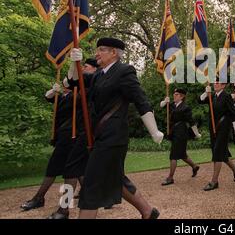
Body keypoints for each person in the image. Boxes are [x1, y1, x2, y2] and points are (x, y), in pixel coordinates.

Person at [67, 38, 164, 219]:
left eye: (101, 49)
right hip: (95, 136)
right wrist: (74, 63)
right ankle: (148, 211)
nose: (96, 53)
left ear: (114, 52)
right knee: (113, 177)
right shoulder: (98, 75)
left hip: (112, 137)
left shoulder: (124, 71)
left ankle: (65, 210)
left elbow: (140, 100)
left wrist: (154, 130)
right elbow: (74, 81)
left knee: (92, 183)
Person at [45, 59, 99, 219]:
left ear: (94, 70)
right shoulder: (81, 85)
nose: (82, 69)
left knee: (78, 170)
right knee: (75, 170)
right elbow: (70, 81)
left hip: (88, 132)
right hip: (79, 133)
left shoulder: (93, 85)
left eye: (86, 67)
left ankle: (65, 208)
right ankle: (65, 208)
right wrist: (72, 65)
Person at [20, 82, 77, 212]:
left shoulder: (77, 96)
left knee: (67, 171)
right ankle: (61, 205)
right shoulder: (62, 97)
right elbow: (48, 98)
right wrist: (53, 91)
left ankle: (44, 200)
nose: (64, 84)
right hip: (63, 137)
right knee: (74, 172)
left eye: (67, 82)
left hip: (72, 136)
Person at [198, 79, 235, 191]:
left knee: (217, 153)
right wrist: (205, 93)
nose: (215, 84)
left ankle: (214, 181)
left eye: (218, 83)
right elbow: (200, 101)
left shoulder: (226, 97)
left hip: (223, 128)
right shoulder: (213, 96)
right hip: (213, 128)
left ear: (223, 85)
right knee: (222, 154)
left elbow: (233, 113)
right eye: (214, 83)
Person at [159, 88, 201, 186]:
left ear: (182, 96)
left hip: (181, 133)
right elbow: (161, 106)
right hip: (174, 132)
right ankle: (194, 166)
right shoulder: (172, 105)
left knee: (173, 155)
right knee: (182, 155)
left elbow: (191, 121)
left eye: (177, 94)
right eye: (174, 94)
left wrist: (196, 133)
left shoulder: (186, 107)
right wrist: (165, 101)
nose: (174, 95)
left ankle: (170, 178)